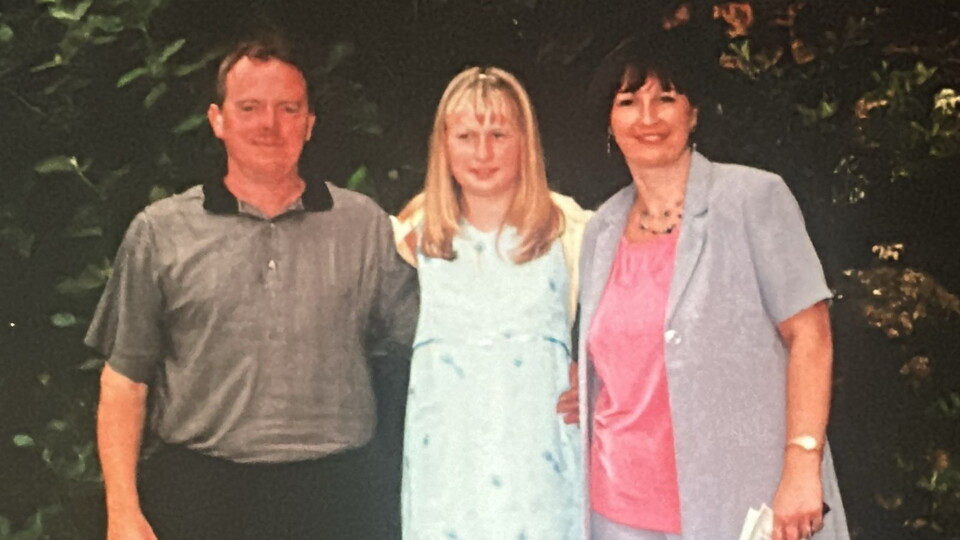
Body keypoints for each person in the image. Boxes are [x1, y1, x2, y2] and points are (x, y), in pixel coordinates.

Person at [85, 36, 418, 540]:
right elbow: (124, 381)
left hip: (338, 497)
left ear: (309, 124)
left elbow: (425, 344)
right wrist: (122, 512)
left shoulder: (364, 226)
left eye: (288, 109)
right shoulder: (160, 232)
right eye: (250, 107)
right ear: (217, 120)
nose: (269, 124)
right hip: (201, 497)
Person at [577, 31, 850, 540]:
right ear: (609, 122)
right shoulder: (601, 230)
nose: (648, 117)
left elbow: (811, 336)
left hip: (740, 501)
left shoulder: (752, 198)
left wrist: (802, 463)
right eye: (628, 102)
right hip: (618, 511)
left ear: (694, 113)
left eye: (666, 98)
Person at [391, 66, 589, 539]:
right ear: (444, 143)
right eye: (466, 136)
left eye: (498, 135)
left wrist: (597, 374)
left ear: (525, 142)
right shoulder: (415, 233)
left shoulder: (569, 229)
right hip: (447, 471)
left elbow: (628, 321)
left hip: (539, 472)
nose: (483, 153)